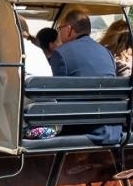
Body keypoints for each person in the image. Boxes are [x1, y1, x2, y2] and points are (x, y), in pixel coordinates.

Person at [51, 12, 124, 145]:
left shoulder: (61, 53)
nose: (59, 33)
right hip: (112, 126)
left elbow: (56, 97)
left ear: (68, 29)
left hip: (81, 126)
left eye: (59, 29)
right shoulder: (106, 52)